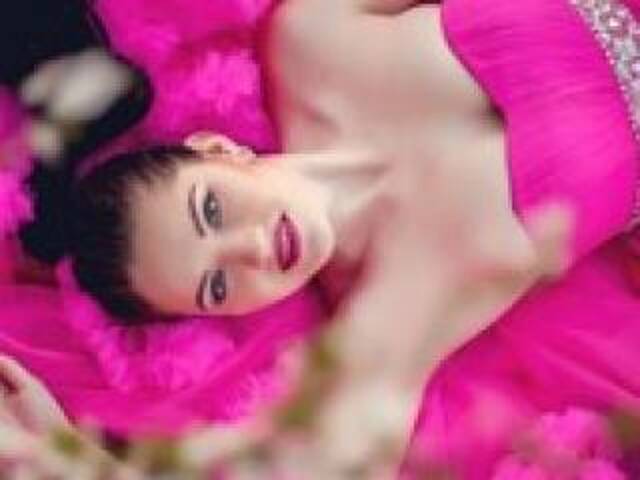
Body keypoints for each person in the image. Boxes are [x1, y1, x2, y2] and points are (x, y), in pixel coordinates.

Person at [15, 0, 640, 476]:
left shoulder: (309, 37)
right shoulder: (387, 320)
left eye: (211, 209)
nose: (249, 250)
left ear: (218, 149)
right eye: (217, 285)